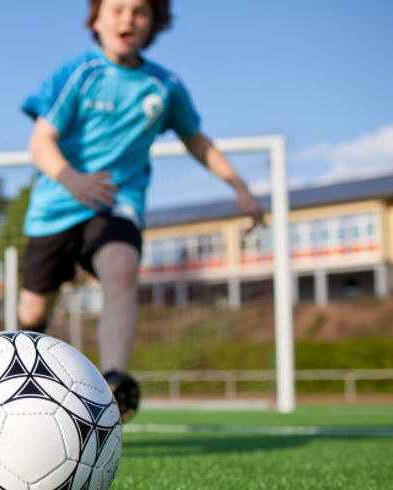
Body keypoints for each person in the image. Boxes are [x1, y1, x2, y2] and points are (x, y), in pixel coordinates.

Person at [17, 0, 263, 422]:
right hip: (57, 205)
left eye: (139, 11)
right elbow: (40, 142)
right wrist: (73, 179)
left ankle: (113, 382)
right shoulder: (79, 73)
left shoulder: (164, 85)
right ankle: (19, 383)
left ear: (154, 23)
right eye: (116, 9)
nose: (127, 19)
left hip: (117, 202)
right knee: (33, 312)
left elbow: (196, 139)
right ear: (96, 19)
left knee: (121, 268)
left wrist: (238, 185)